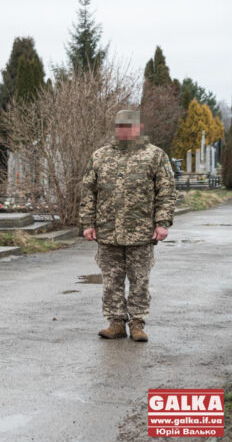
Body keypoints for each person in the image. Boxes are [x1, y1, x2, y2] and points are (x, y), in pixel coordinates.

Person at [80, 110, 175, 343]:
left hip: (140, 232)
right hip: (108, 231)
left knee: (139, 280)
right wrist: (87, 223)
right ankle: (115, 323)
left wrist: (162, 222)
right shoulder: (100, 156)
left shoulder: (154, 156)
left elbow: (166, 190)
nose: (125, 130)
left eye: (129, 126)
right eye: (120, 126)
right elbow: (88, 191)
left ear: (138, 128)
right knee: (111, 280)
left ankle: (137, 323)